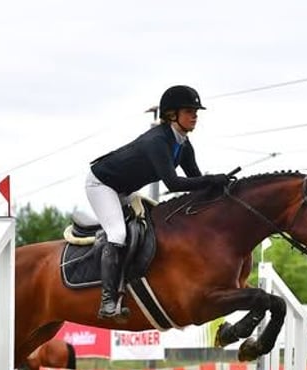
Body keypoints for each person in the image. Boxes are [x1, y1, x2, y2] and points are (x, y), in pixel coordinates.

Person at [86, 85, 233, 320]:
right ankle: (108, 301)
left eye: (196, 111)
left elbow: (196, 181)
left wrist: (221, 188)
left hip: (125, 190)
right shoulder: (157, 141)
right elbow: (173, 184)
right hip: (102, 185)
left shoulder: (183, 144)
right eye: (189, 110)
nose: (195, 115)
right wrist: (211, 180)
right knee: (118, 234)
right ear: (172, 114)